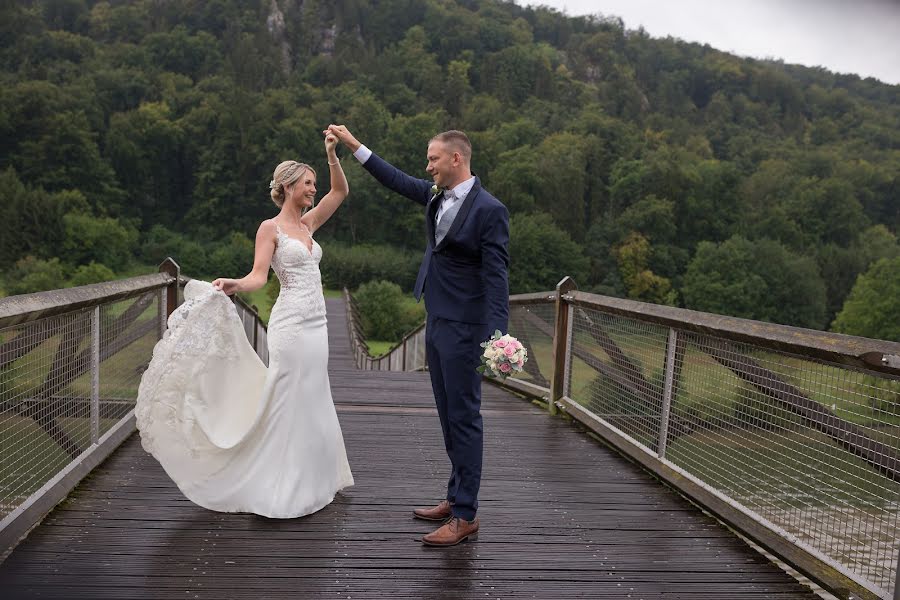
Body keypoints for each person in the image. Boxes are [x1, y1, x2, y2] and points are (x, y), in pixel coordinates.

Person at [135, 131, 354, 518]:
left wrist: (331, 154)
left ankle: (313, 477)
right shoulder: (270, 228)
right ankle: (277, 482)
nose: (314, 190)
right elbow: (258, 276)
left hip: (318, 323)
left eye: (313, 185)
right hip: (289, 324)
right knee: (288, 395)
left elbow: (339, 193)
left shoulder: (308, 225)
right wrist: (235, 284)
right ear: (287, 187)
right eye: (307, 184)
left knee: (315, 394)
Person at [327, 124, 509, 546]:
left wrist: (500, 338)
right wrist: (355, 146)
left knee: (465, 419)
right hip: (438, 320)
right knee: (448, 417)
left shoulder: (489, 210)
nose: (427, 167)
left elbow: (497, 277)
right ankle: (454, 495)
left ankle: (466, 515)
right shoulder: (435, 196)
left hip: (467, 329)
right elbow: (395, 179)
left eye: (433, 159)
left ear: (456, 159)